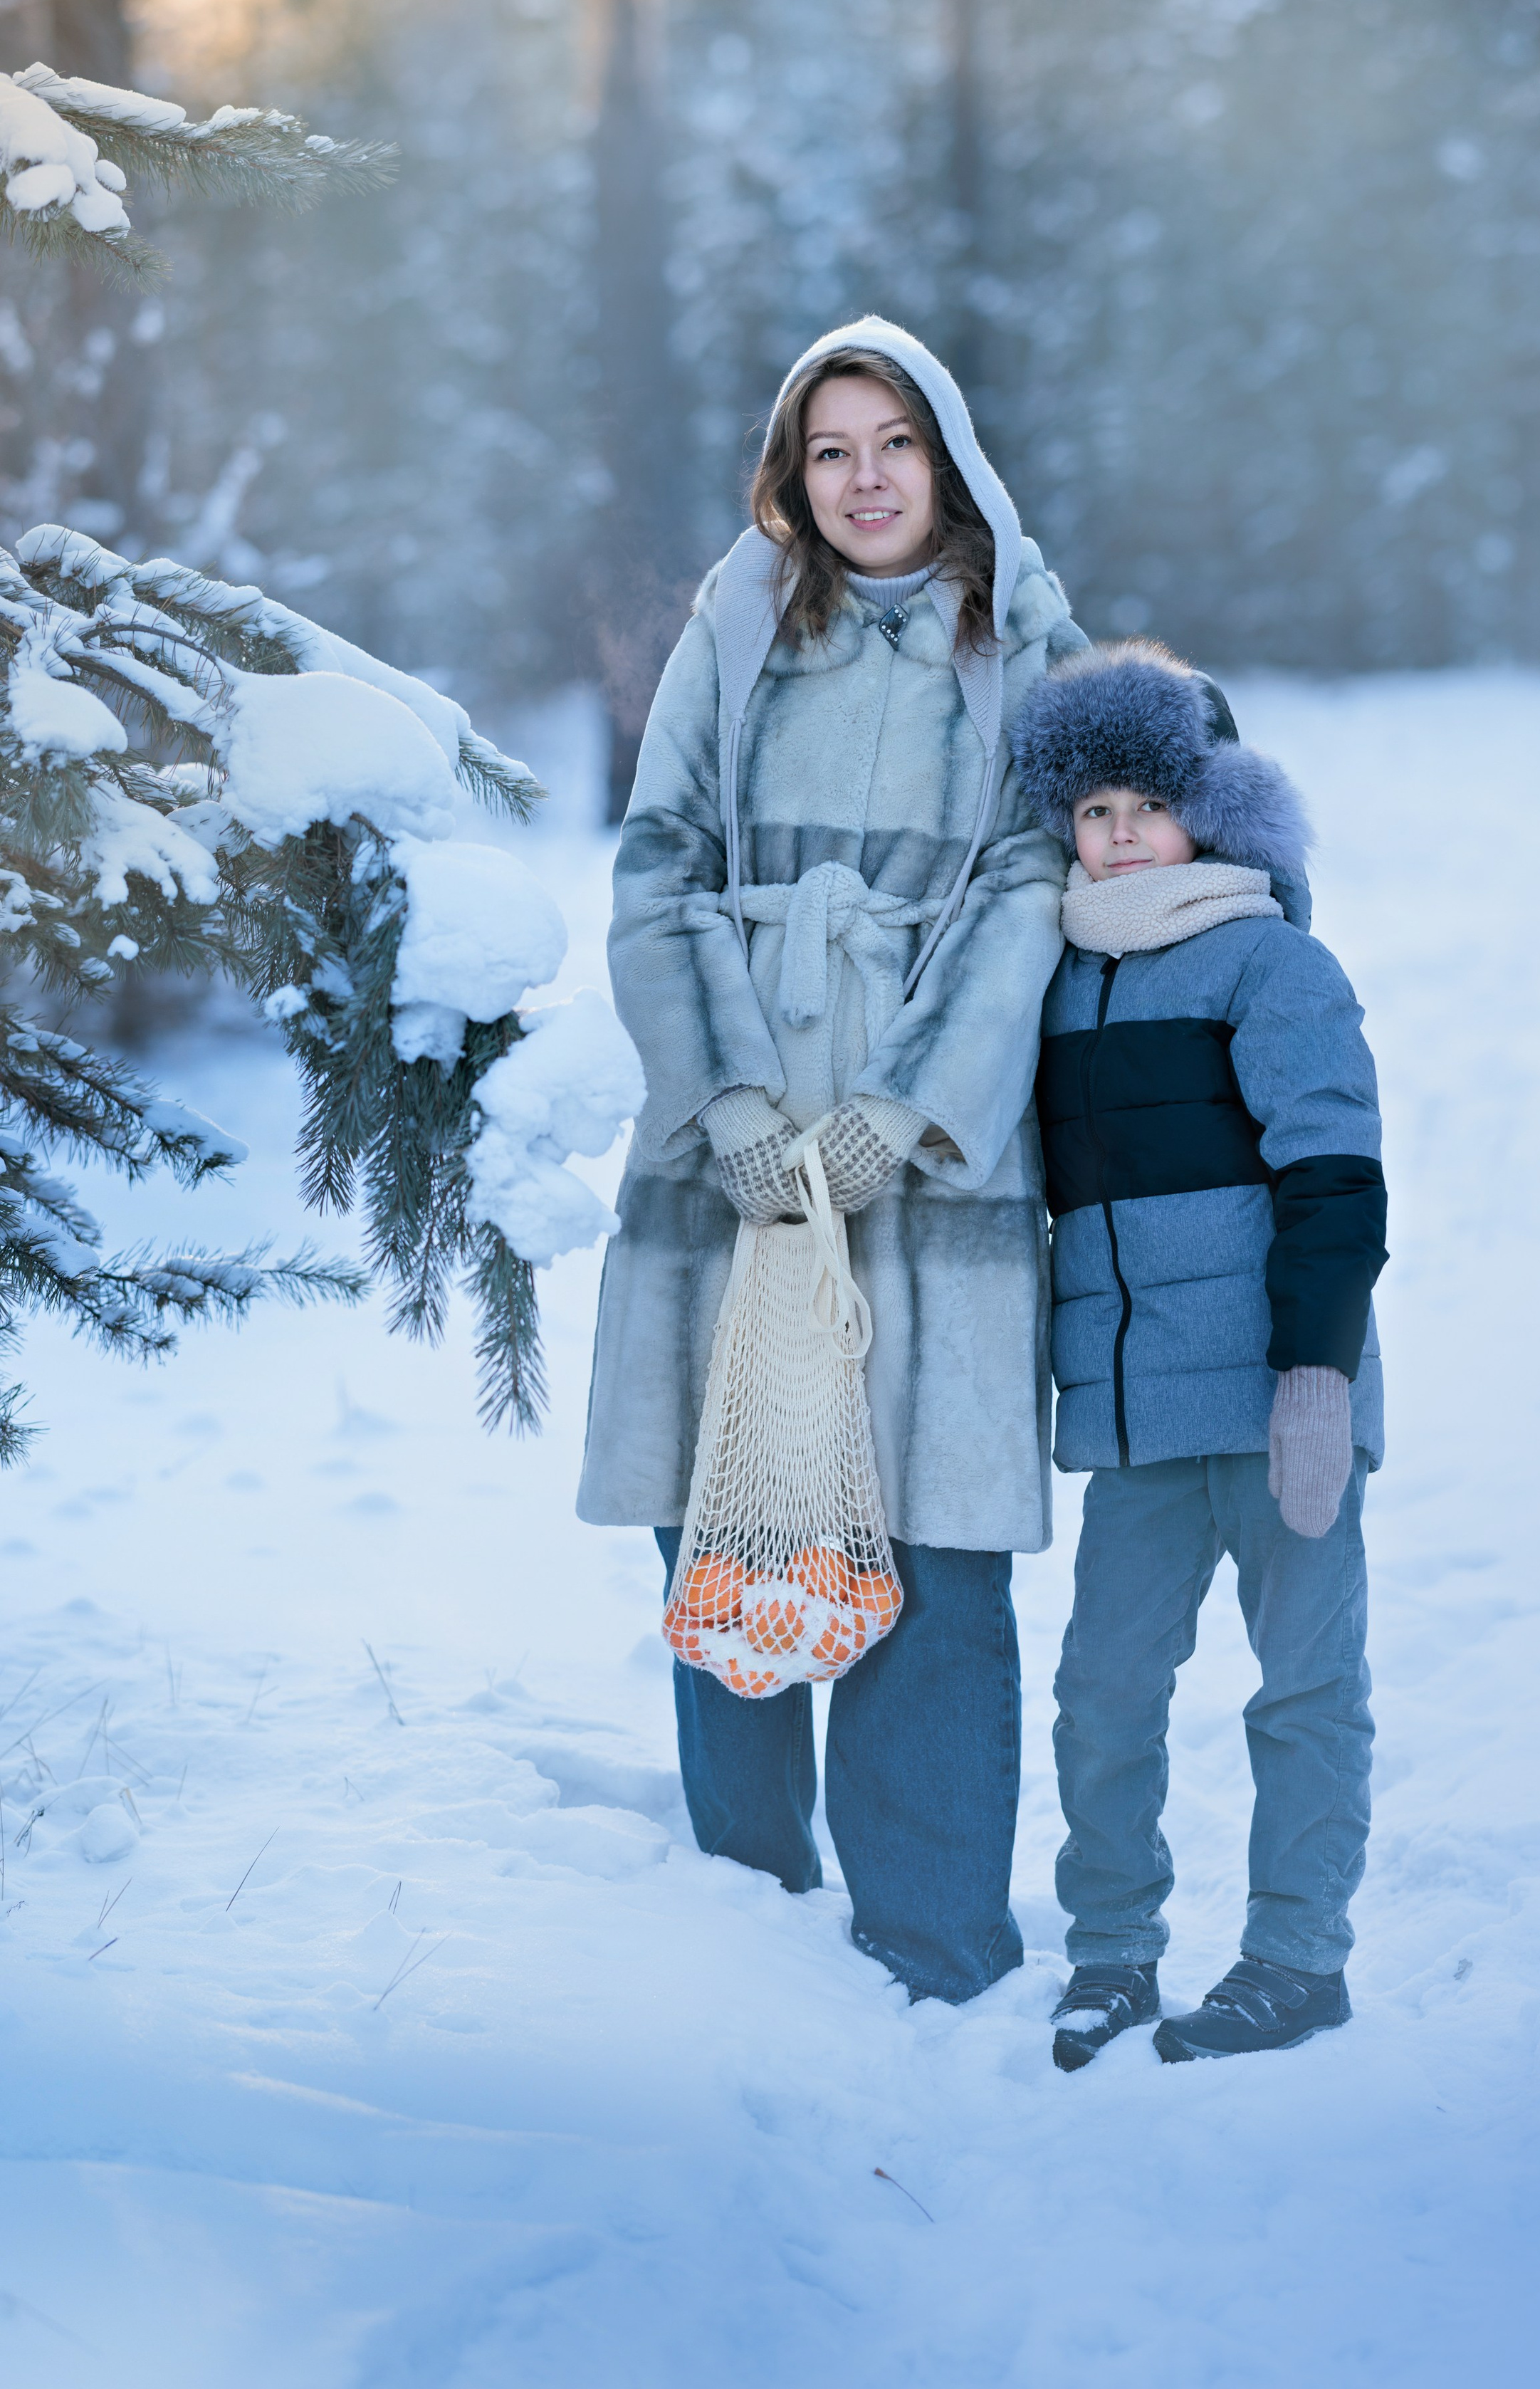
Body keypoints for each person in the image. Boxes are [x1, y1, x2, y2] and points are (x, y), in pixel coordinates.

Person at [580, 317, 1087, 2005]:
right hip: (729, 1147)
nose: (865, 479)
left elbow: (1031, 885)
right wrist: (725, 1100)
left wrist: (907, 1111)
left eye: (894, 445)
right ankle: (744, 1925)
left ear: (947, 458)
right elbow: (658, 862)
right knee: (729, 1512)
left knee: (928, 1549)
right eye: (829, 450)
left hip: (929, 1168)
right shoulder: (736, 618)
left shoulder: (1026, 641)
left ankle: (934, 1944)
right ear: (791, 476)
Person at [1010, 639, 1388, 2068]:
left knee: (1302, 1686)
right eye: (1094, 809)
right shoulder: (1055, 979)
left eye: (1149, 806)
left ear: (1213, 811)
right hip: (1137, 1418)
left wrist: (1318, 1374)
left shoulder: (1270, 960)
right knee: (1103, 1692)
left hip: (1281, 1396)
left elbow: (1335, 1173)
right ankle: (1110, 1948)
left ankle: (1297, 1959)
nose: (1119, 835)